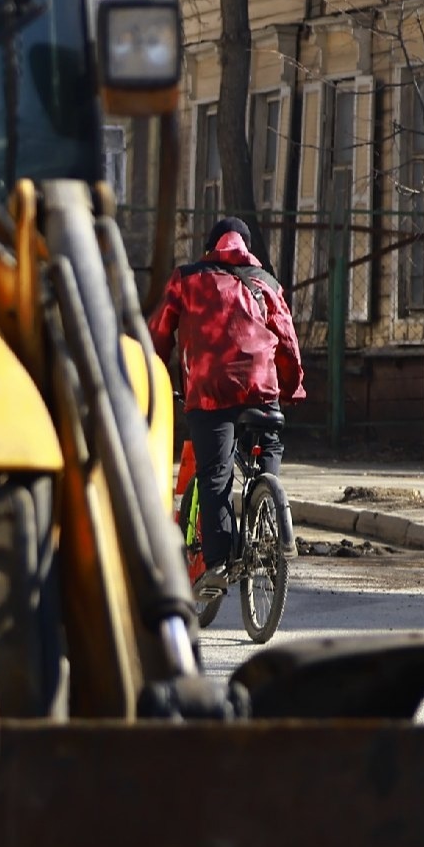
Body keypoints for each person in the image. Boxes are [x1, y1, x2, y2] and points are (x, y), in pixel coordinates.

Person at [148, 217, 305, 586]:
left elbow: (157, 334)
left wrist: (152, 374)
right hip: (263, 392)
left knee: (215, 476)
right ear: (247, 248)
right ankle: (268, 515)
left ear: (209, 246)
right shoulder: (266, 284)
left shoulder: (186, 279)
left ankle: (217, 563)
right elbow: (288, 342)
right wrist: (292, 386)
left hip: (209, 393)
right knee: (268, 448)